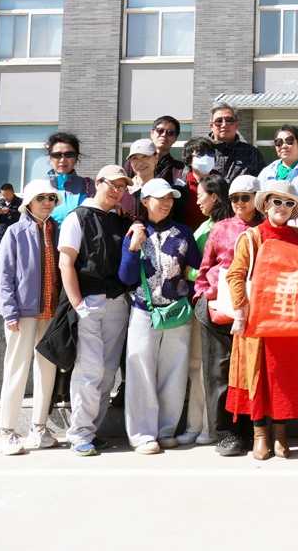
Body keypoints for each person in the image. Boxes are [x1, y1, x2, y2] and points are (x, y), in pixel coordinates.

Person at [224, 180, 298, 460]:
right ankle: (260, 435)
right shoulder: (251, 237)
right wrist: (242, 308)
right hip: (257, 321)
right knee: (257, 376)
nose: (282, 207)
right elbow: (235, 275)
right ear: (265, 205)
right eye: (277, 201)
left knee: (283, 377)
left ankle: (281, 436)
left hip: (288, 321)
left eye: (289, 203)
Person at [118, 178, 200, 455]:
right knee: (140, 370)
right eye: (159, 198)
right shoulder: (135, 232)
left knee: (174, 372)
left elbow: (194, 270)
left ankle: (165, 430)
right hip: (144, 310)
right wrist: (134, 247)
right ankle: (142, 434)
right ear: (145, 201)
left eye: (169, 198)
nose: (166, 203)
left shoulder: (183, 232)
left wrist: (188, 298)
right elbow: (126, 277)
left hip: (177, 312)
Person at [58, 165, 133, 456]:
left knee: (108, 371)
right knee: (89, 369)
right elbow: (66, 263)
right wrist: (78, 304)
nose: (117, 191)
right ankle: (79, 434)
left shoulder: (119, 219)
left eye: (122, 186)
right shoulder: (78, 217)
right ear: (97, 183)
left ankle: (91, 430)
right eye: (111, 184)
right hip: (89, 302)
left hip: (117, 303)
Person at [0, 176, 61, 455]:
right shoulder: (15, 232)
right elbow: (5, 276)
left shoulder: (57, 229)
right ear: (29, 203)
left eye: (51, 198)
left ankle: (39, 428)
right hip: (22, 313)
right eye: (40, 198)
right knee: (16, 369)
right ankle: (6, 432)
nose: (47, 202)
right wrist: (9, 311)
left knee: (47, 369)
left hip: (51, 311)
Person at [195, 176, 261, 456]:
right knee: (218, 371)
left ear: (258, 199)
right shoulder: (220, 228)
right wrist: (201, 295)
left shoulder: (265, 229)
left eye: (245, 197)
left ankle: (253, 431)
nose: (239, 203)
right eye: (234, 198)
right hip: (218, 306)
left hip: (256, 308)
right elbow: (205, 267)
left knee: (251, 371)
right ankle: (225, 433)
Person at [180, 174, 230, 447]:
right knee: (196, 366)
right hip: (200, 304)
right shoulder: (205, 225)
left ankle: (211, 427)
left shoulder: (227, 227)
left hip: (218, 304)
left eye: (201, 195)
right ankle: (195, 425)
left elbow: (219, 270)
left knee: (211, 368)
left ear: (214, 196)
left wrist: (190, 273)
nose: (197, 201)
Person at [207, 105, 268, 182]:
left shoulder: (252, 153)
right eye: (219, 121)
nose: (224, 124)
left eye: (229, 120)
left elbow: (262, 183)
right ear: (211, 126)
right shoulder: (200, 151)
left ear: (236, 125)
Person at [45, 132, 89, 224]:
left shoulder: (89, 186)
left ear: (76, 158)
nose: (62, 160)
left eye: (69, 155)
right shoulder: (38, 188)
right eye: (57, 155)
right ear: (50, 158)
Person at [147, 116, 189, 181]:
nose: (164, 134)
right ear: (152, 134)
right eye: (160, 131)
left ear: (175, 138)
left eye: (170, 132)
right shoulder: (137, 162)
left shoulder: (181, 169)